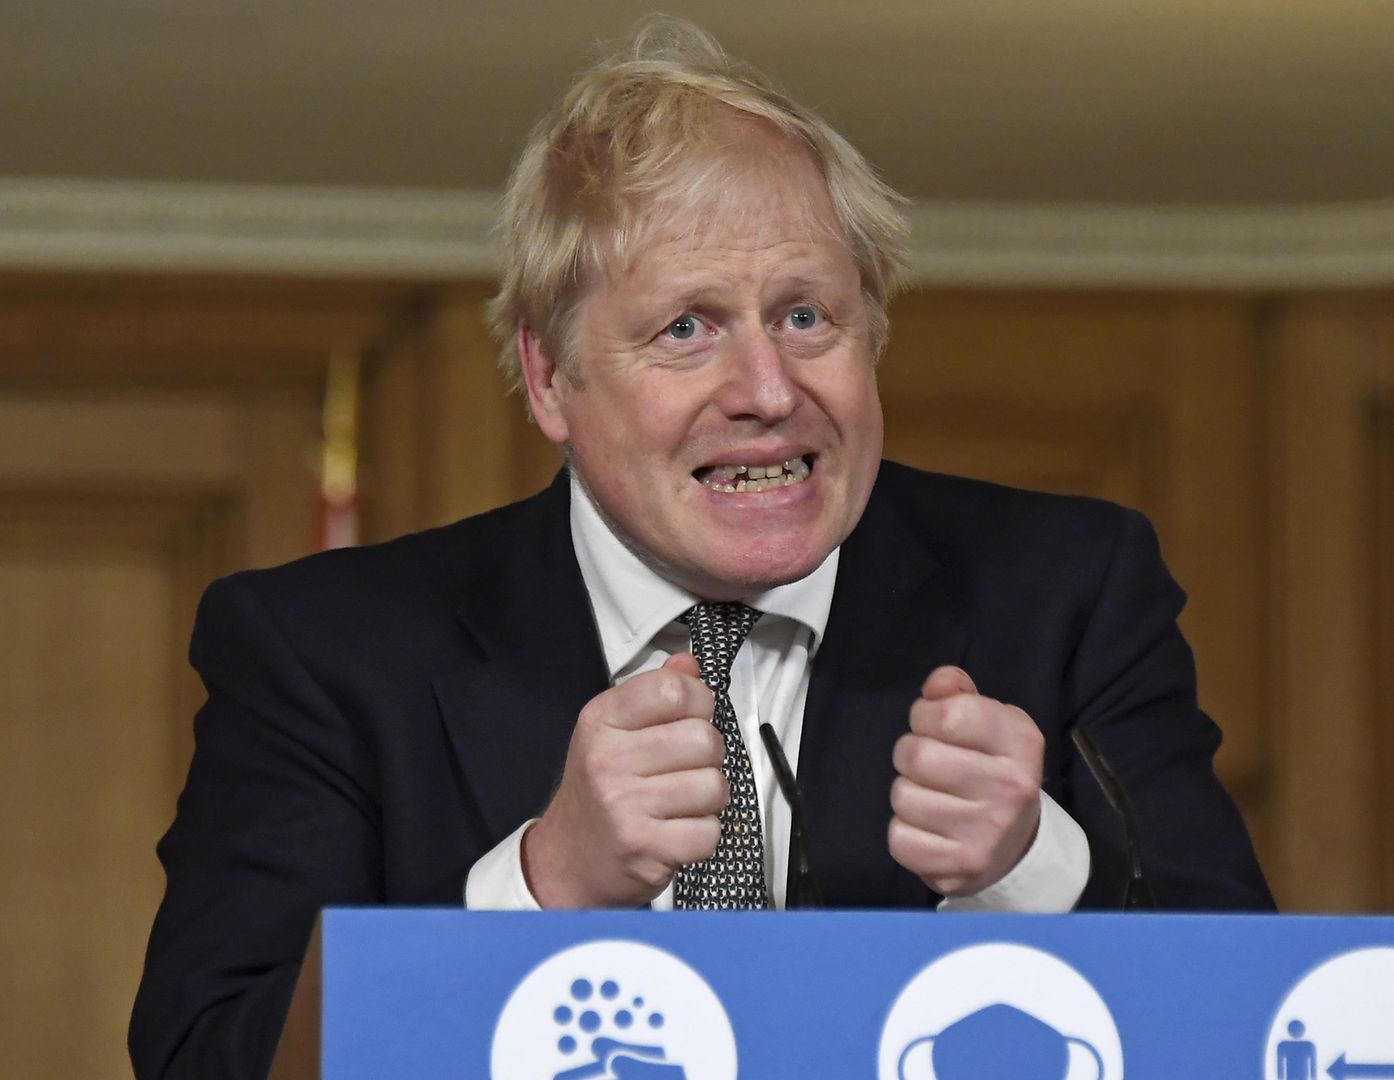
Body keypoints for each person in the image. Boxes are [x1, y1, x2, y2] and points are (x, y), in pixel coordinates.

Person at [128, 15, 1272, 1079]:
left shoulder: (1068, 591)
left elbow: (1263, 1030)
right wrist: (544, 889)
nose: (769, 392)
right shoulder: (323, 650)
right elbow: (205, 1055)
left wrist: (1033, 864)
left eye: (806, 316)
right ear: (548, 377)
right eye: (688, 329)